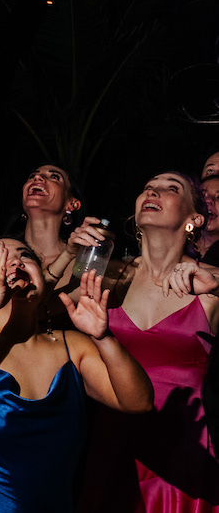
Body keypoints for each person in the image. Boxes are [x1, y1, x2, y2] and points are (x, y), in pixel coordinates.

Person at [0, 238, 153, 512]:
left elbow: (138, 402)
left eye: (26, 256)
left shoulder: (73, 346)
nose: (15, 261)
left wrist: (104, 338)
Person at [79, 171, 219, 512]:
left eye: (171, 188)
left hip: (185, 449)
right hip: (113, 443)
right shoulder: (108, 276)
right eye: (147, 188)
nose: (153, 191)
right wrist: (70, 254)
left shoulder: (208, 284)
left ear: (194, 218)